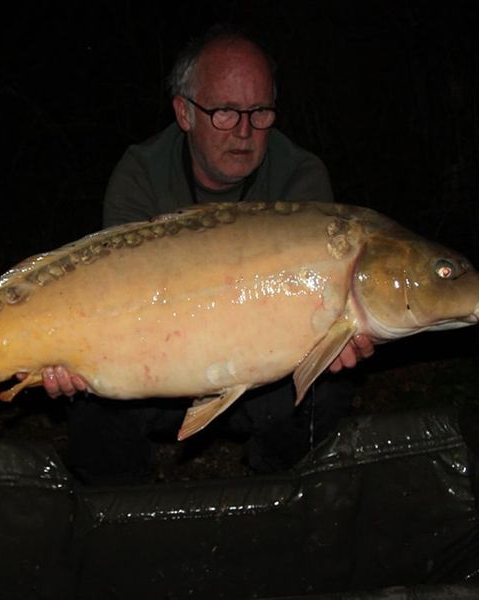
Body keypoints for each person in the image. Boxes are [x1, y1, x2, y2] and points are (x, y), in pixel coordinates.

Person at [39, 24, 374, 483]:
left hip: (264, 379)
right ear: (184, 112)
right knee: (91, 403)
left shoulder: (300, 176)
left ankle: (274, 496)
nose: (245, 131)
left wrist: (335, 340)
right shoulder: (140, 174)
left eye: (260, 112)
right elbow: (112, 303)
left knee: (329, 387)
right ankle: (121, 509)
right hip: (153, 370)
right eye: (225, 112)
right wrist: (69, 356)